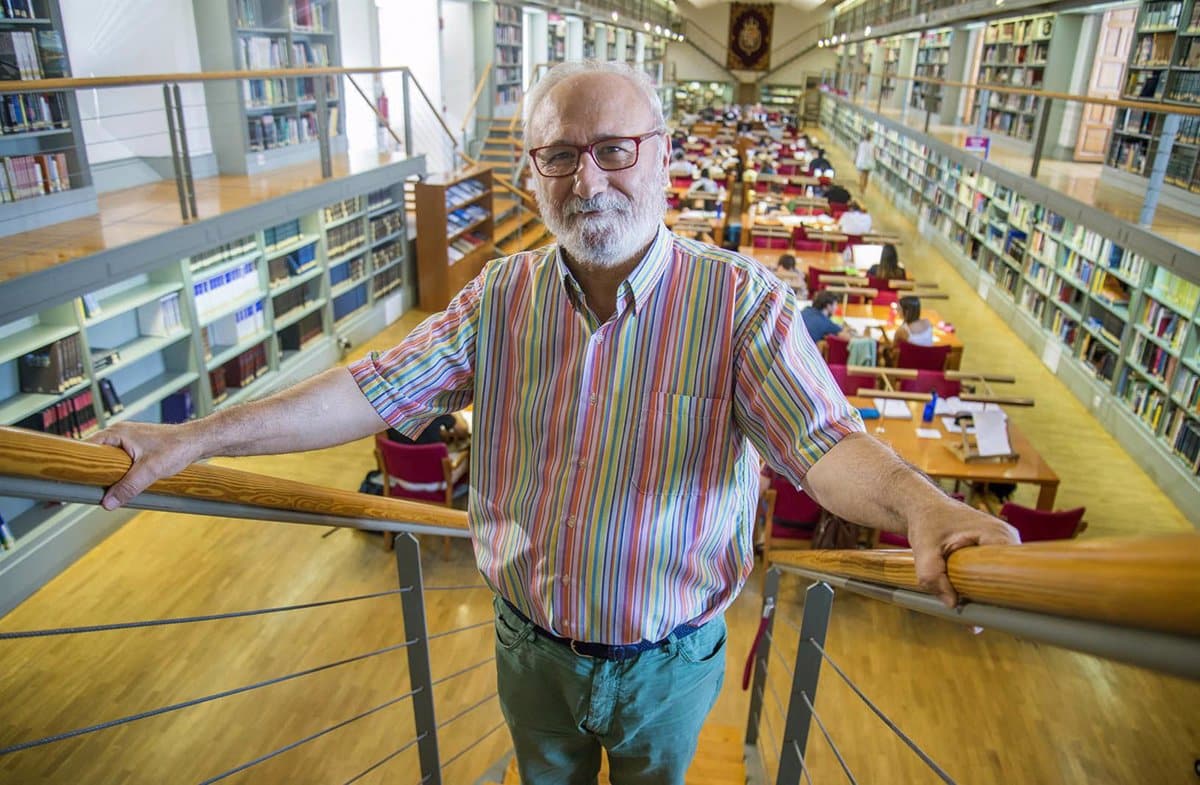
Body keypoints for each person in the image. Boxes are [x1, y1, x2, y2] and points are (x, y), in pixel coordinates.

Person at [90, 62, 1016, 785]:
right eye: (560, 156)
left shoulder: (740, 302)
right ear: (532, 173)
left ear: (662, 157)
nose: (589, 179)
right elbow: (367, 387)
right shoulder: (500, 295)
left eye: (614, 149)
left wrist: (916, 501)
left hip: (670, 660)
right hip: (529, 649)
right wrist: (196, 437)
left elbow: (822, 446)